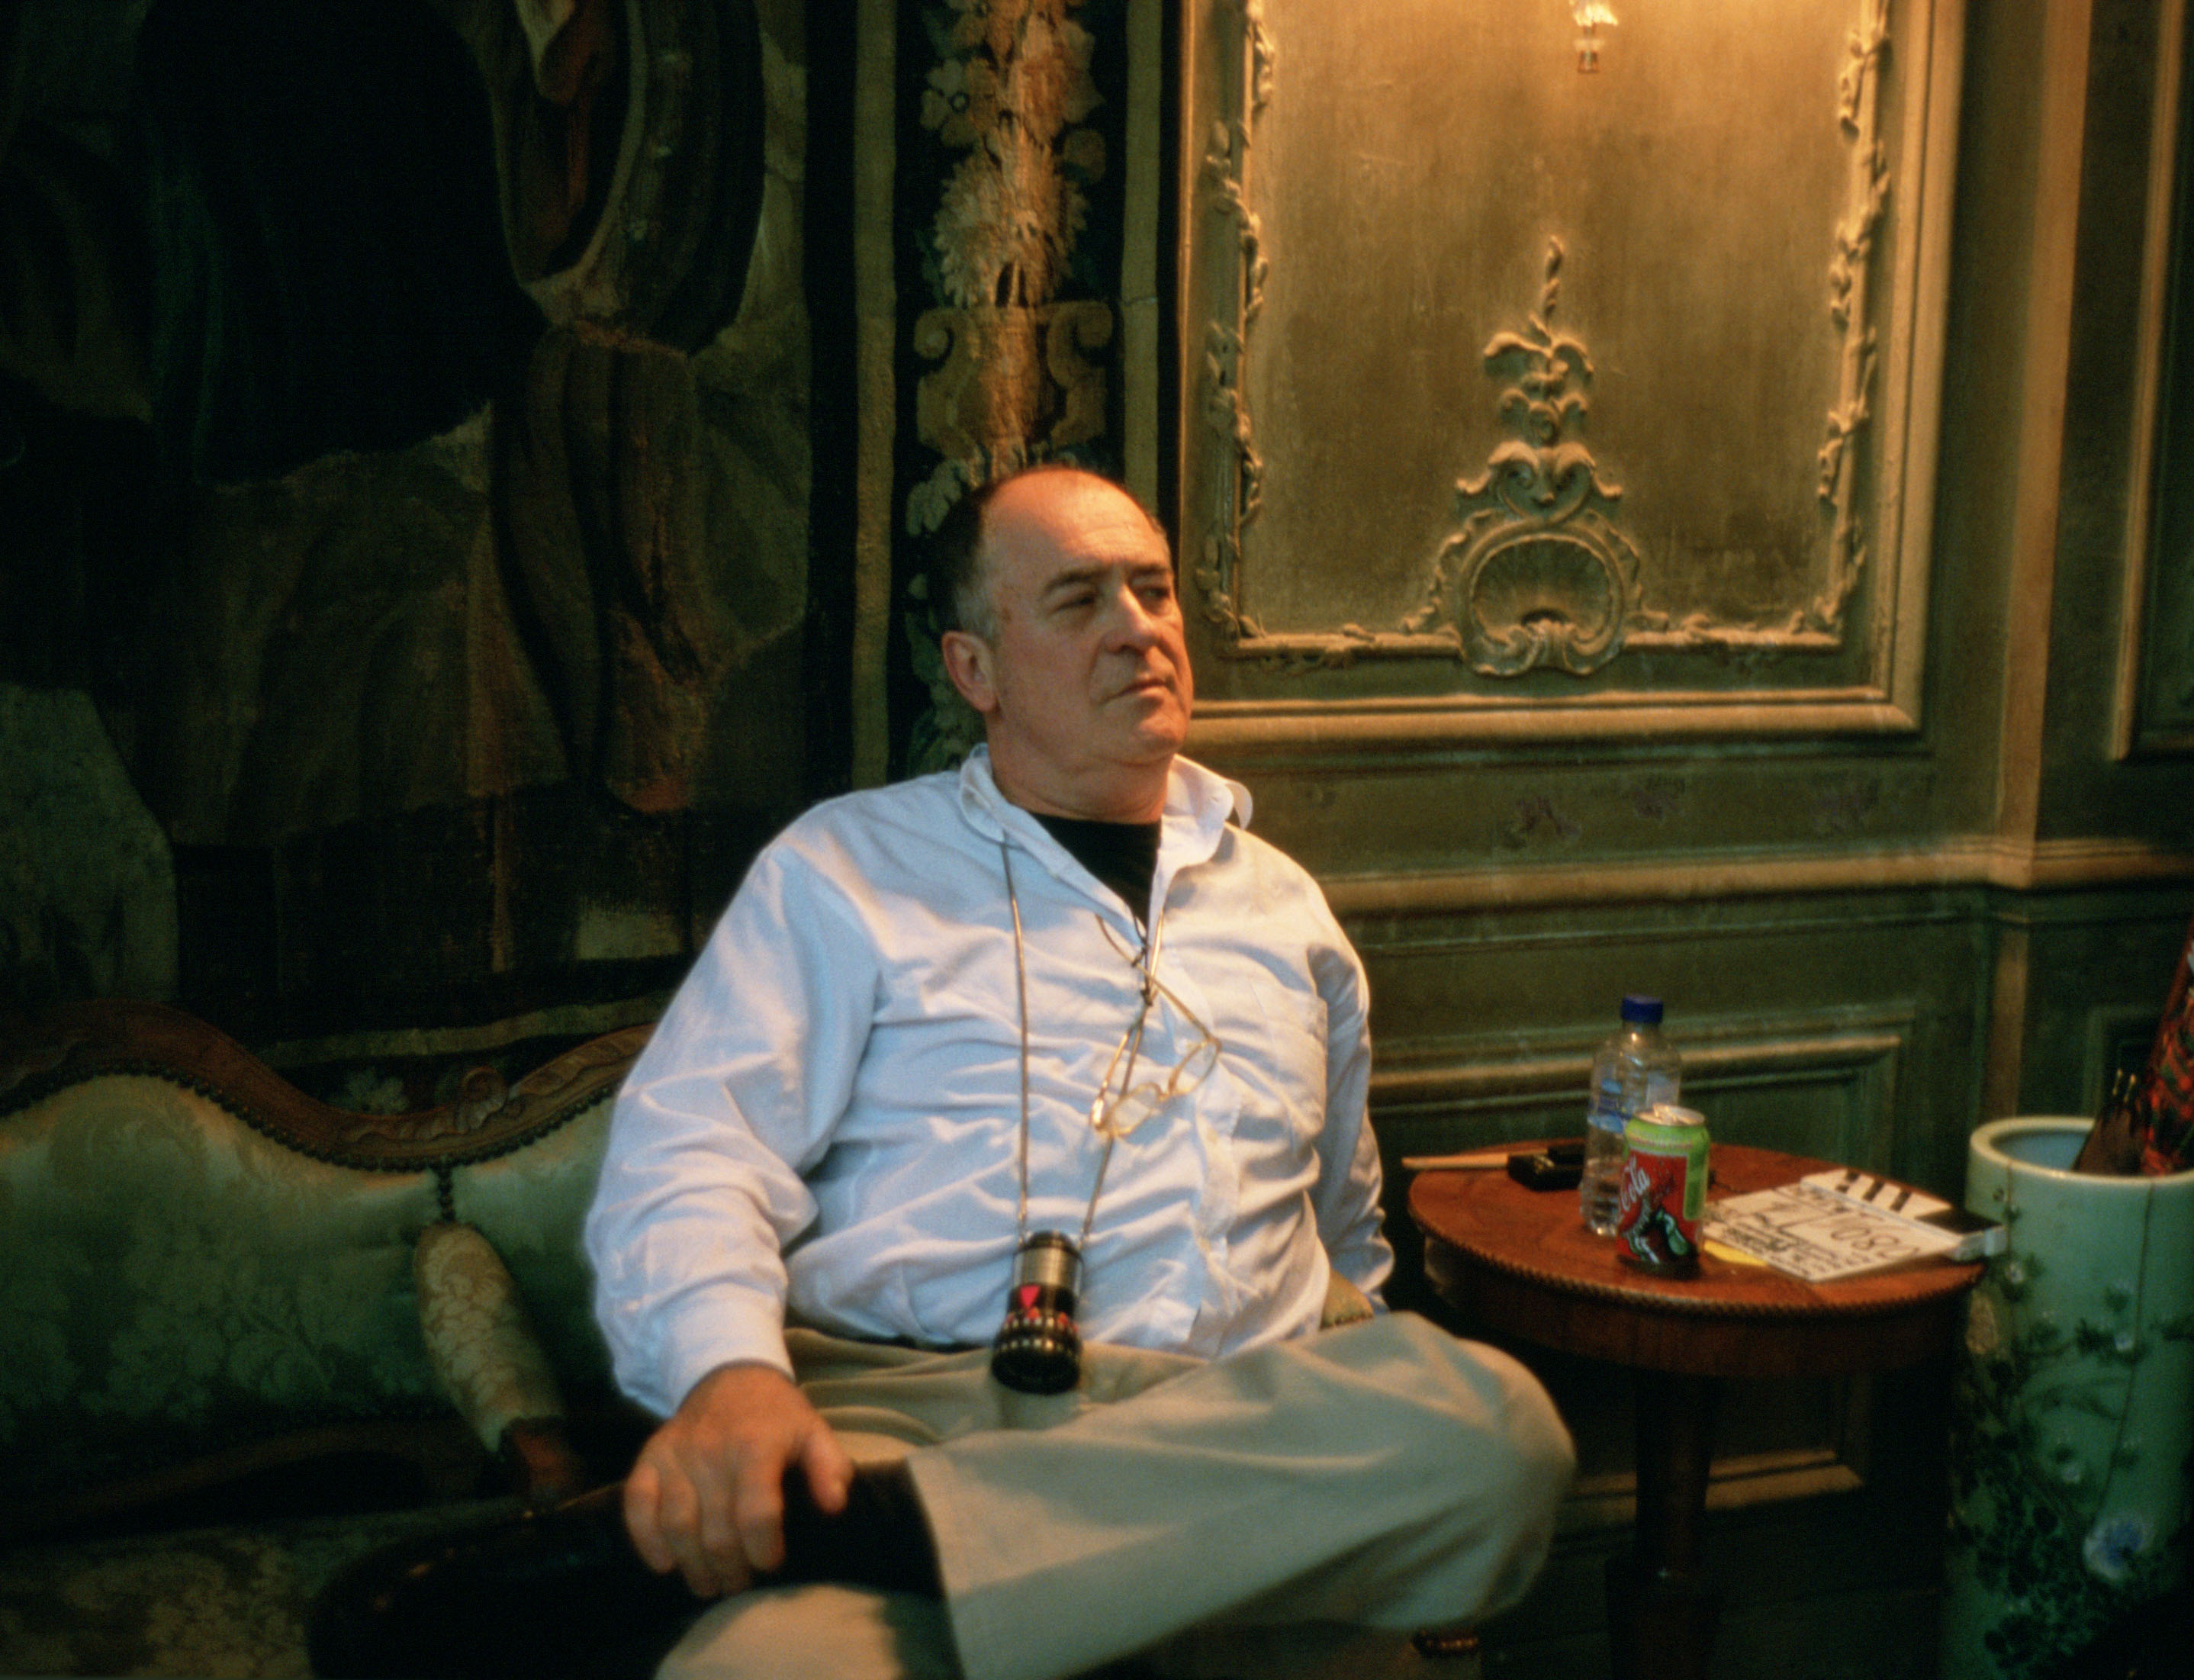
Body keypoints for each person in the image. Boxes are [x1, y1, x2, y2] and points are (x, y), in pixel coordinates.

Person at [313, 466, 1573, 1680]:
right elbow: (693, 1150)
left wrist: (1331, 1423)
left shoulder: (1286, 908)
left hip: (1227, 1449)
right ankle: (902, 1531)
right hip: (907, 1417)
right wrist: (732, 1379)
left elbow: (1344, 1232)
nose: (1138, 628)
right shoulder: (845, 868)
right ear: (974, 669)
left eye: (1153, 590)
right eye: (1078, 599)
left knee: (1495, 1428)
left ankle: (844, 1541)